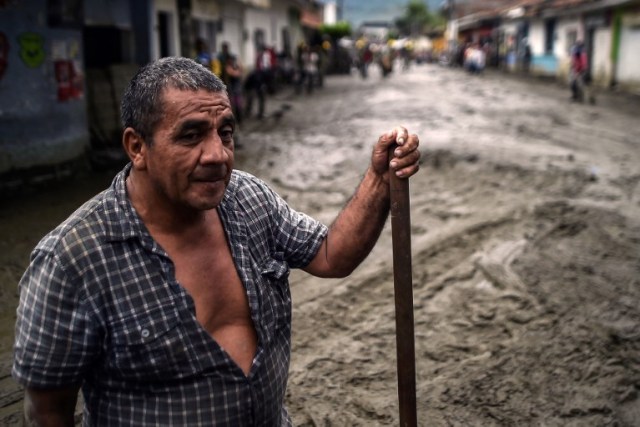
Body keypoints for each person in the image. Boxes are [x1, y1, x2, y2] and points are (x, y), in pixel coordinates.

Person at [12, 56, 421, 425]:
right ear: (137, 147)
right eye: (191, 136)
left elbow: (331, 256)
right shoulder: (71, 259)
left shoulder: (250, 199)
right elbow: (47, 410)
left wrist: (378, 180)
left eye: (224, 133)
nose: (217, 155)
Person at [217, 41, 244, 124]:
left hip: (234, 84)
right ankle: (231, 119)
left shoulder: (231, 58)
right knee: (229, 102)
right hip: (227, 83)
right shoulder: (221, 57)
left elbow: (239, 70)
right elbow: (231, 72)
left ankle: (238, 119)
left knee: (237, 102)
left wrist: (237, 70)